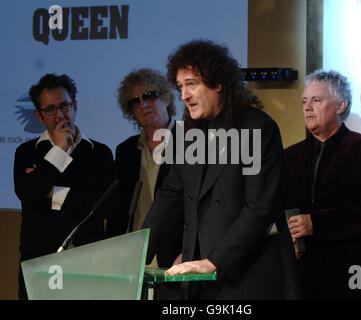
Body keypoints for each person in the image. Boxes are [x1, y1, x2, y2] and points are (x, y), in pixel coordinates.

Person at [142, 39, 300, 300]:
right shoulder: (187, 135)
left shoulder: (258, 128)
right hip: (200, 280)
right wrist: (135, 253)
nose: (184, 95)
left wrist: (214, 261)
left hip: (248, 276)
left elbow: (259, 208)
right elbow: (169, 198)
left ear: (218, 83)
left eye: (192, 84)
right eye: (180, 87)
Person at [282, 69, 361, 300]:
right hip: (301, 273)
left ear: (340, 105)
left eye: (317, 100)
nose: (307, 107)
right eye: (304, 101)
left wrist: (317, 223)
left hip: (349, 271)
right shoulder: (289, 156)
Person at [14, 74, 117, 300]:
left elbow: (103, 207)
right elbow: (29, 194)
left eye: (65, 105)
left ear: (75, 105)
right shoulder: (26, 153)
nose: (60, 115)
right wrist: (58, 152)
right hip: (40, 263)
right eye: (50, 109)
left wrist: (51, 193)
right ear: (39, 116)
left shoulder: (99, 153)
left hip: (87, 263)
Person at [106, 68, 183, 269]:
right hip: (132, 254)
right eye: (135, 101)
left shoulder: (190, 142)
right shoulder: (125, 150)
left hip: (176, 254)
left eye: (149, 96)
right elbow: (119, 209)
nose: (143, 104)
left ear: (166, 98)